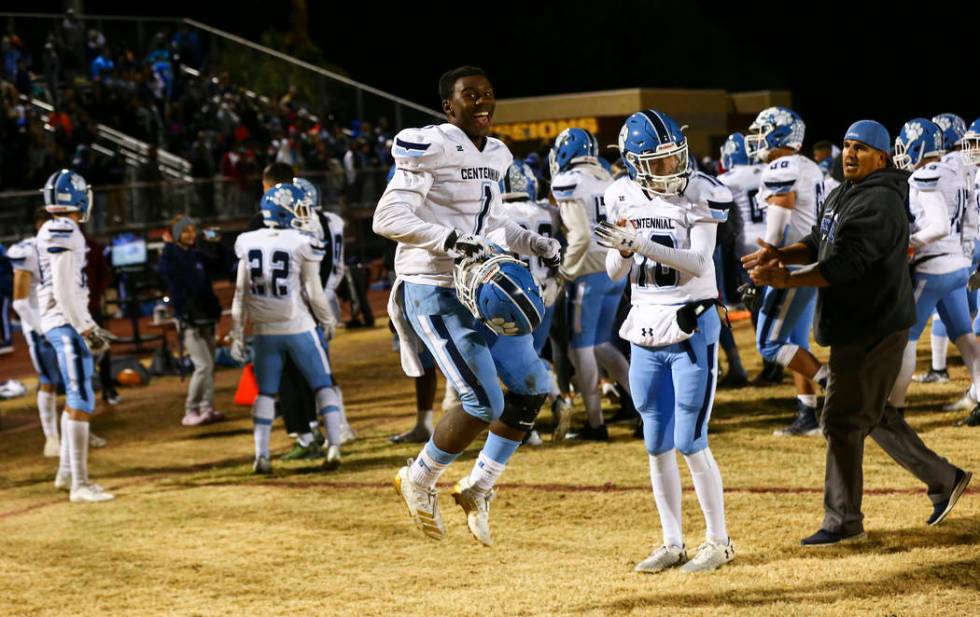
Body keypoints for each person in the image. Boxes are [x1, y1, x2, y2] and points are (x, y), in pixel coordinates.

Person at [743, 120, 972, 546]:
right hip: (859, 322)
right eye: (847, 145)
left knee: (842, 421)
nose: (849, 153)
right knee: (868, 412)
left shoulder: (879, 202)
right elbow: (818, 240)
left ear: (882, 157)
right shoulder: (847, 191)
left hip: (873, 325)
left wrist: (785, 280)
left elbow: (842, 266)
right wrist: (781, 253)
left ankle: (843, 521)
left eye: (861, 148)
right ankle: (944, 478)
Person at [373, 66, 560, 545]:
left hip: (479, 282)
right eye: (470, 95)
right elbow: (388, 216)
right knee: (483, 402)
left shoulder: (496, 152)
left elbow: (493, 224)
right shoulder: (428, 144)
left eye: (489, 94)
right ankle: (417, 478)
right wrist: (450, 240)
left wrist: (533, 243)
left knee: (534, 383)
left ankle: (479, 486)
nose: (482, 102)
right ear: (447, 107)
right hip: (433, 286)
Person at [599, 108, 734, 573]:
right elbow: (615, 271)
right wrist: (620, 247)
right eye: (658, 163)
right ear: (635, 164)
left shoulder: (702, 192)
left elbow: (698, 262)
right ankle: (672, 541)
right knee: (655, 441)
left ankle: (718, 542)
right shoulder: (618, 194)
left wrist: (642, 246)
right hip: (644, 327)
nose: (672, 169)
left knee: (691, 439)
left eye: (674, 158)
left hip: (691, 321)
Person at [230, 184, 341, 473]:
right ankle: (334, 448)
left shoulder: (247, 240)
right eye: (300, 208)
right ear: (284, 211)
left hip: (264, 331)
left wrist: (237, 331)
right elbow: (315, 294)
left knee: (266, 393)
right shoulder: (300, 241)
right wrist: (328, 320)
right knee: (323, 385)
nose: (306, 214)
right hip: (298, 326)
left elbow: (240, 294)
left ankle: (261, 456)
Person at [886, 118, 980, 425]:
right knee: (965, 337)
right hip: (957, 265)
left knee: (905, 337)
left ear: (919, 144)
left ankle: (896, 408)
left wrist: (910, 244)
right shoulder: (955, 171)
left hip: (934, 266)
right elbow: (969, 221)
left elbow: (938, 225)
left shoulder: (925, 175)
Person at [744, 106, 829, 436]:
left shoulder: (782, 167)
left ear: (779, 134)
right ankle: (808, 415)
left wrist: (767, 259)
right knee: (795, 341)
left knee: (769, 343)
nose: (757, 140)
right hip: (809, 263)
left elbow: (778, 225)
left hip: (788, 266)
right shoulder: (808, 165)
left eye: (762, 131)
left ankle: (835, 387)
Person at [37, 169, 116, 503]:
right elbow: (65, 290)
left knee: (75, 398)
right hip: (65, 322)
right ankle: (80, 485)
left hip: (62, 320)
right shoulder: (64, 229)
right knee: (82, 396)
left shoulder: (57, 228)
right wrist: (87, 328)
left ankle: (67, 472)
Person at [549, 127, 632, 440]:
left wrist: (563, 274)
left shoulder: (570, 181)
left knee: (580, 347)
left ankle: (596, 424)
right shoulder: (607, 177)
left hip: (588, 271)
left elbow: (581, 237)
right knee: (600, 345)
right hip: (613, 267)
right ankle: (643, 408)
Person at [158, 214, 227, 426]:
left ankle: (207, 408)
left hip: (205, 316)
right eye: (185, 231)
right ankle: (190, 410)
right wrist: (170, 245)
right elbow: (168, 272)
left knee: (211, 365)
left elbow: (222, 266)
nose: (191, 235)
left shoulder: (196, 255)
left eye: (192, 230)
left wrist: (218, 245)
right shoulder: (170, 256)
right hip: (188, 320)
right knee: (203, 365)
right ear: (176, 235)